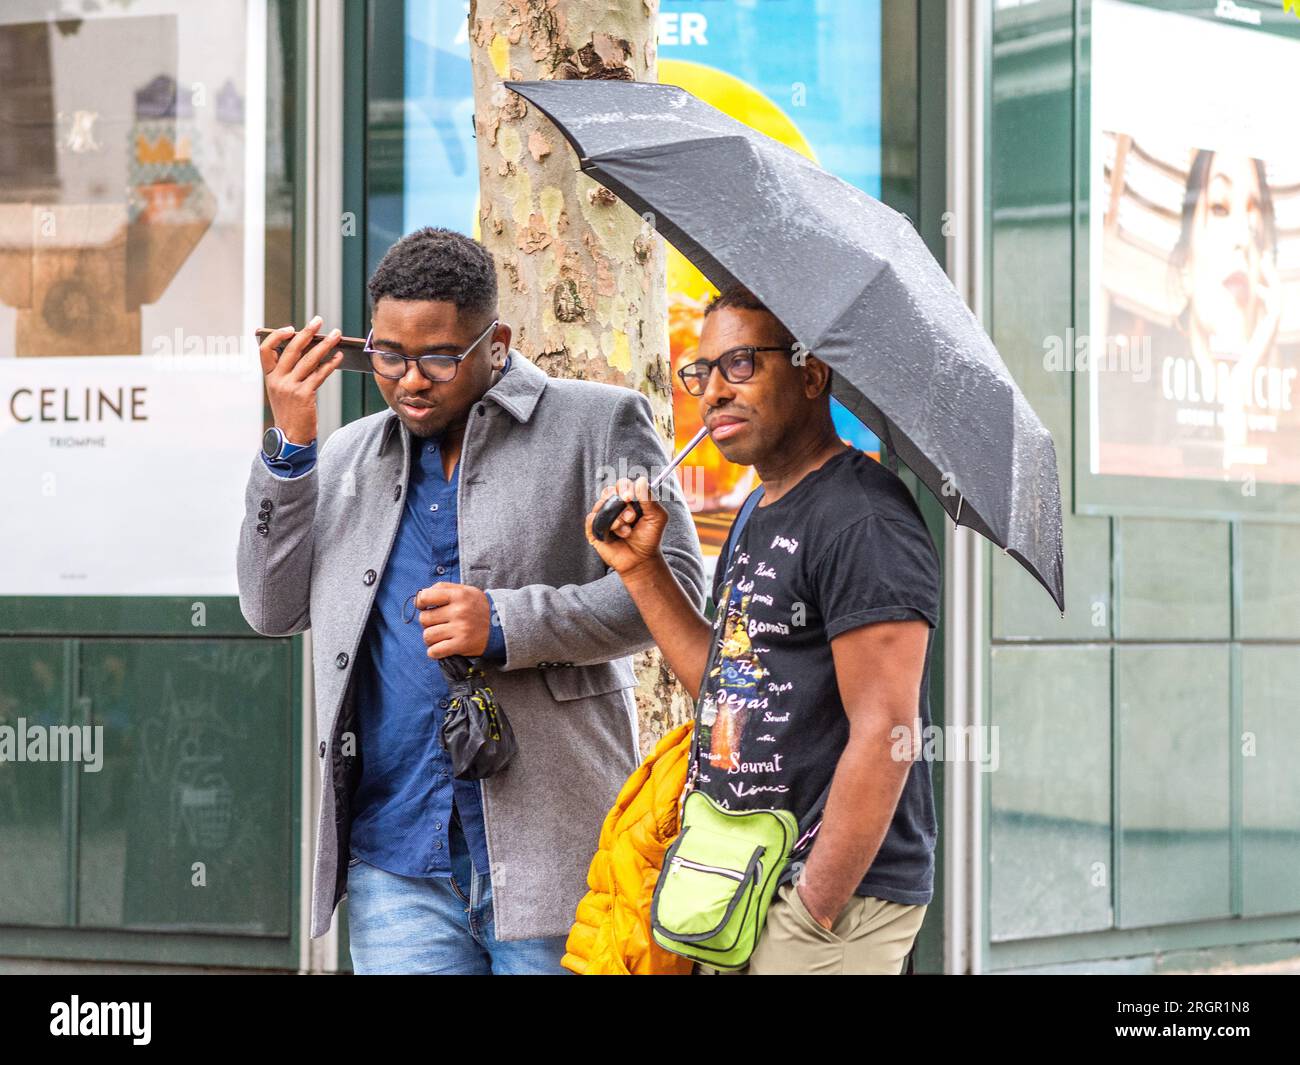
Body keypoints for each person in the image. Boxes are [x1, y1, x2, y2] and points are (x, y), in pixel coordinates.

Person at [237, 227, 705, 974]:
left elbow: (676, 589)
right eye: (388, 356)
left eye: (439, 357)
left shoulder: (599, 421)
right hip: (394, 865)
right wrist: (290, 447)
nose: (411, 380)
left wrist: (508, 622)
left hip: (556, 855)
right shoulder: (347, 453)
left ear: (497, 341)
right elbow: (269, 605)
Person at [586, 285, 941, 975]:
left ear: (811, 372)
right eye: (701, 371)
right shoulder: (757, 511)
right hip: (738, 876)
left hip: (832, 896)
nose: (713, 391)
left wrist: (814, 908)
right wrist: (642, 570)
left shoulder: (864, 521)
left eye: (741, 364)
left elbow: (887, 732)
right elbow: (728, 689)